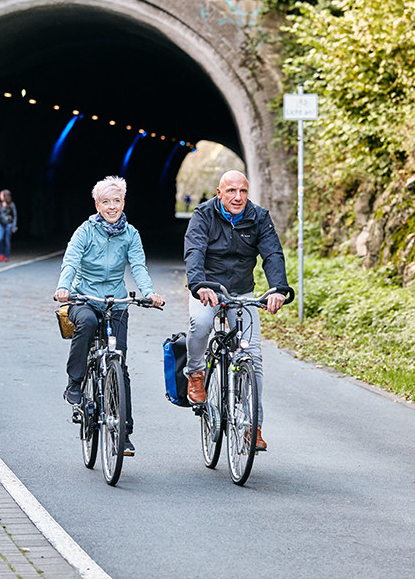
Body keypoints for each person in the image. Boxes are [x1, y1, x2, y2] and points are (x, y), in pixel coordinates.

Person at [54, 176, 164, 456]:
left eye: (116, 201)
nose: (112, 207)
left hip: (116, 301)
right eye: (106, 202)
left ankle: (124, 433)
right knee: (88, 323)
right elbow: (71, 260)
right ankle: (75, 382)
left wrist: (149, 293)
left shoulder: (131, 234)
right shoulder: (85, 232)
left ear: (123, 203)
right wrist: (64, 287)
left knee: (120, 363)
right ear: (97, 205)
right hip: (85, 298)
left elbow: (138, 265)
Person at [183, 170, 290, 451]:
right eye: (231, 191)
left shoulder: (258, 217)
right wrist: (198, 285)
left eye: (242, 191)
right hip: (208, 288)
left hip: (241, 291)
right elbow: (194, 250)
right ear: (219, 193)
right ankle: (195, 373)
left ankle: (252, 426)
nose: (238, 197)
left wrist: (278, 288)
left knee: (252, 357)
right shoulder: (203, 215)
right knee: (201, 323)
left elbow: (272, 254)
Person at [0, 189, 17, 262]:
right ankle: (1, 253)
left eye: (1, 195)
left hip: (8, 224)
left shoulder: (12, 205)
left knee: (7, 240)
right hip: (0, 224)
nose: (0, 196)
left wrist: (14, 226)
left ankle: (6, 256)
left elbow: (15, 215)